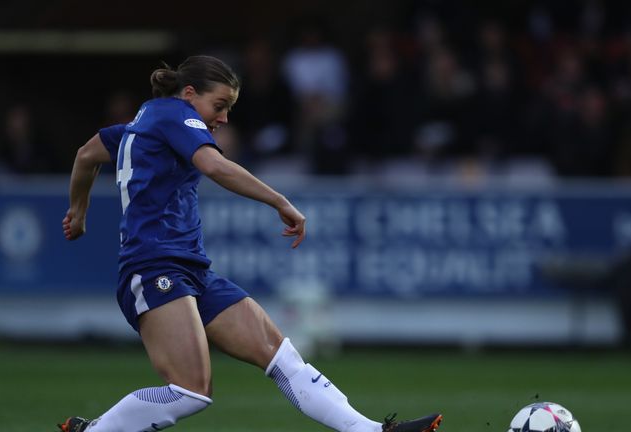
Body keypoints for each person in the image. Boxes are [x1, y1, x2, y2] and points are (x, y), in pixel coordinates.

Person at [58, 55, 443, 432]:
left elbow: (86, 155)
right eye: (220, 105)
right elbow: (214, 165)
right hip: (154, 267)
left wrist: (79, 210)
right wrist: (279, 200)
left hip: (189, 269)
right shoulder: (173, 113)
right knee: (191, 390)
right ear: (189, 93)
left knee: (282, 357)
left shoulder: (137, 125)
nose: (223, 118)